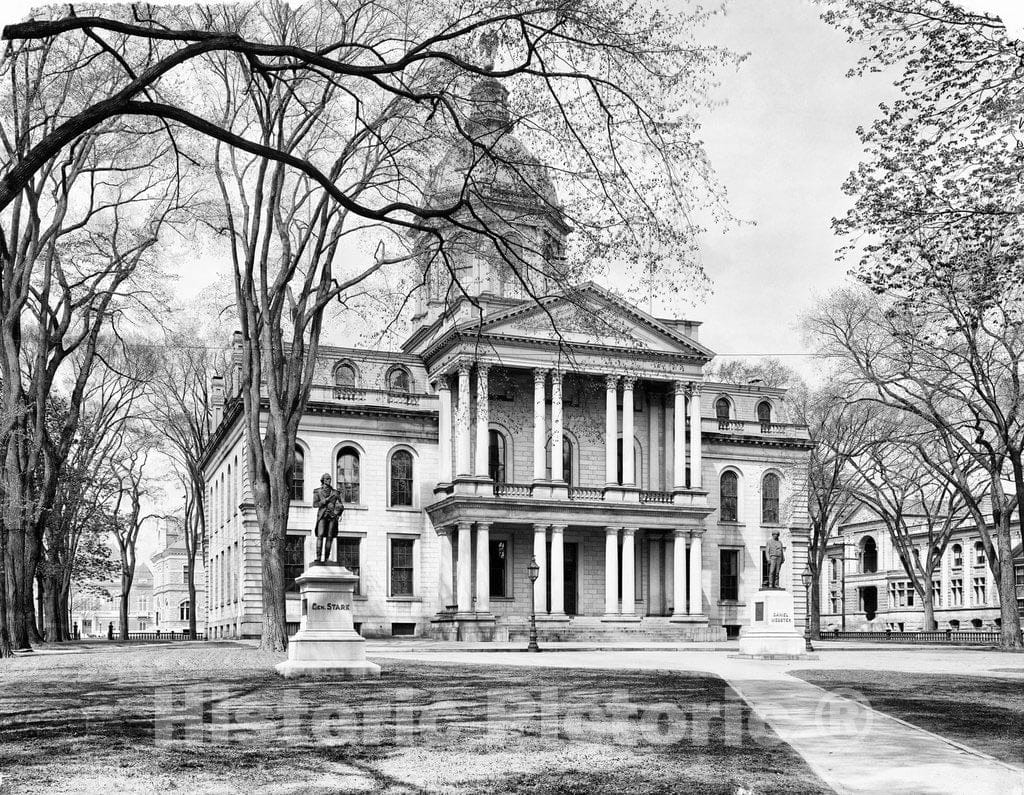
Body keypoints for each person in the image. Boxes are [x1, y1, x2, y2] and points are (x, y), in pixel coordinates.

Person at [312, 472, 344, 564]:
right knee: (320, 535)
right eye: (327, 479)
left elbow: (341, 505)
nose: (328, 480)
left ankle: (326, 558)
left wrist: (335, 512)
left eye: (329, 479)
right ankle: (318, 558)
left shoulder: (335, 492)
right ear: (323, 480)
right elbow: (315, 504)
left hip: (332, 517)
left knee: (330, 537)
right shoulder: (317, 491)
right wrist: (324, 501)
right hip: (322, 516)